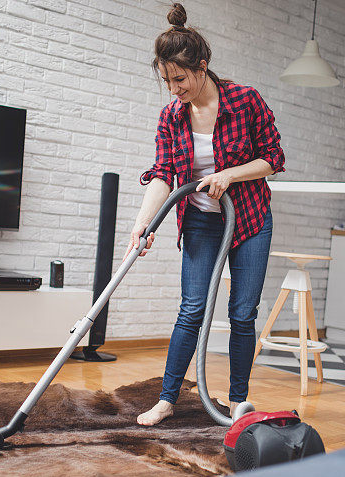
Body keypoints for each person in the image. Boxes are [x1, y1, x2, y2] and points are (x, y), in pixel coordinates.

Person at [127, 3, 285, 426]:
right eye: (167, 81)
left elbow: (273, 158)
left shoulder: (245, 100)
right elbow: (163, 173)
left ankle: (237, 402)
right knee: (192, 308)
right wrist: (143, 223)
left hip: (249, 218)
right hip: (199, 219)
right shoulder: (171, 116)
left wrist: (229, 175)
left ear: (202, 66)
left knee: (242, 313)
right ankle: (167, 399)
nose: (173, 89)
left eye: (179, 79)